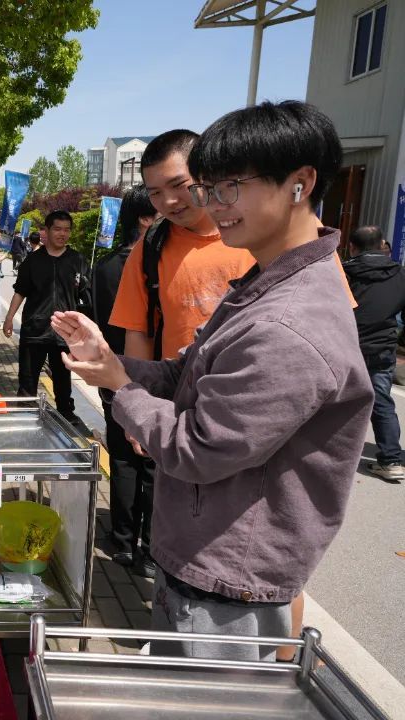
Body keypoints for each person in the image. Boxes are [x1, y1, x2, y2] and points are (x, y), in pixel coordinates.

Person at [54, 100, 372, 662]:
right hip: (208, 552)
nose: (214, 205)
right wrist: (115, 363)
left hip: (228, 574)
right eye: (209, 188)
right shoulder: (264, 283)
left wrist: (124, 391)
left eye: (230, 188)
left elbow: (200, 447)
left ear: (300, 183)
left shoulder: (287, 322)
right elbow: (186, 370)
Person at [108, 129, 255, 364]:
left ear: (207, 173)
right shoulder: (149, 250)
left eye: (178, 184)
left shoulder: (259, 233)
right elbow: (139, 334)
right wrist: (137, 386)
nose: (168, 201)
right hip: (181, 385)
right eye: (155, 193)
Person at [92, 185, 159, 574]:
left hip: (112, 371)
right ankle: (149, 548)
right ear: (145, 220)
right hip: (154, 376)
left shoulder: (104, 266)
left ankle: (121, 541)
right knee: (152, 464)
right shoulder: (153, 264)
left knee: (121, 456)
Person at [2, 210, 90, 418]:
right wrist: (8, 318)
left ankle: (66, 415)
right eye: (57, 229)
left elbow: (87, 296)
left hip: (65, 333)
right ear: (47, 231)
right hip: (35, 330)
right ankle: (24, 414)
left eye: (67, 230)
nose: (62, 234)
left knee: (63, 379)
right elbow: (20, 291)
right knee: (28, 379)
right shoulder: (32, 261)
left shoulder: (78, 260)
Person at [344, 225, 405, 480]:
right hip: (382, 348)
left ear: (352, 247)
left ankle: (331, 457)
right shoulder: (400, 274)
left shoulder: (343, 272)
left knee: (333, 401)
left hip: (345, 347)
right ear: (382, 245)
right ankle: (391, 460)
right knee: (381, 401)